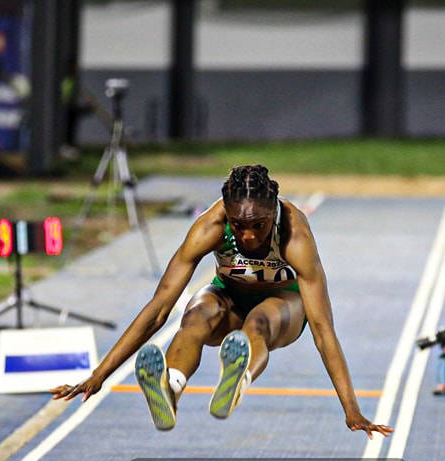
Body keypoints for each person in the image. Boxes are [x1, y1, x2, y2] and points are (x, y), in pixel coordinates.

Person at [51, 164, 393, 440]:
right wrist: (99, 374)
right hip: (228, 298)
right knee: (195, 316)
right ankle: (168, 389)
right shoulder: (210, 227)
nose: (248, 235)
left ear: (272, 213)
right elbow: (159, 308)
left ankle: (237, 377)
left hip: (283, 307)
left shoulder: (294, 235)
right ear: (227, 216)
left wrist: (350, 407)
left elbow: (321, 328)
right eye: (239, 225)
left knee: (257, 324)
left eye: (258, 225)